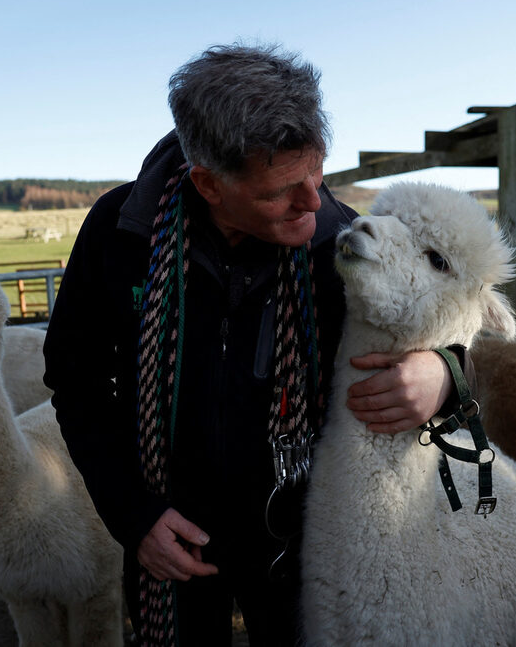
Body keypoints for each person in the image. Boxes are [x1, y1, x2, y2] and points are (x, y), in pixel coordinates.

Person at [43, 44, 467, 646]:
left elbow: (452, 320)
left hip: (303, 536)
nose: (314, 203)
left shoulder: (342, 244)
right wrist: (134, 518)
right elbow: (77, 381)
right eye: (280, 192)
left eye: (317, 175)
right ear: (209, 184)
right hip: (170, 533)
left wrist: (443, 375)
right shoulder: (121, 235)